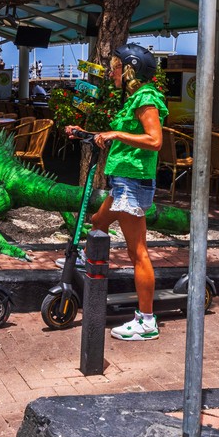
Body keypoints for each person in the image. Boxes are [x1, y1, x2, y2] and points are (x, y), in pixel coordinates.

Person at [66, 43, 167, 342]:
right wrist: (85, 132)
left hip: (134, 183)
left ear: (131, 69)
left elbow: (154, 140)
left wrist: (116, 133)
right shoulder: (134, 98)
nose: (112, 72)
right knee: (98, 221)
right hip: (124, 181)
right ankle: (87, 258)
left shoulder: (146, 98)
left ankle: (146, 321)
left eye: (116, 67)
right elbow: (123, 138)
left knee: (138, 253)